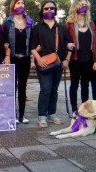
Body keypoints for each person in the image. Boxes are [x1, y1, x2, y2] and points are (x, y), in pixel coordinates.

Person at [31, 0, 72, 128]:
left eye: (51, 8)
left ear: (55, 10)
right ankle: (42, 115)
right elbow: (32, 47)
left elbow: (69, 45)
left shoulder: (61, 28)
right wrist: (38, 59)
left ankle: (51, 114)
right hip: (43, 63)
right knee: (45, 89)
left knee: (54, 90)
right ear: (42, 11)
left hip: (58, 63)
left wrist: (67, 60)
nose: (49, 11)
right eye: (46, 8)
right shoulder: (37, 28)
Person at [66, 0, 96, 112]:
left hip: (88, 59)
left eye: (85, 5)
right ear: (75, 7)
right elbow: (65, 41)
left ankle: (84, 109)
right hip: (75, 59)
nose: (83, 6)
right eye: (81, 4)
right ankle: (74, 109)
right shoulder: (69, 24)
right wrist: (67, 44)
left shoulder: (91, 23)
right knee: (74, 84)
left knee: (85, 84)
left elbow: (95, 43)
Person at [3, 0, 34, 124]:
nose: (20, 5)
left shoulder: (29, 21)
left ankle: (21, 116)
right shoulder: (7, 21)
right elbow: (4, 39)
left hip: (25, 58)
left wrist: (31, 57)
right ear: (13, 5)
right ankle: (12, 115)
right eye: (17, 3)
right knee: (12, 88)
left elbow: (31, 40)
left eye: (22, 3)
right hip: (12, 57)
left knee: (23, 87)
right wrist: (7, 55)